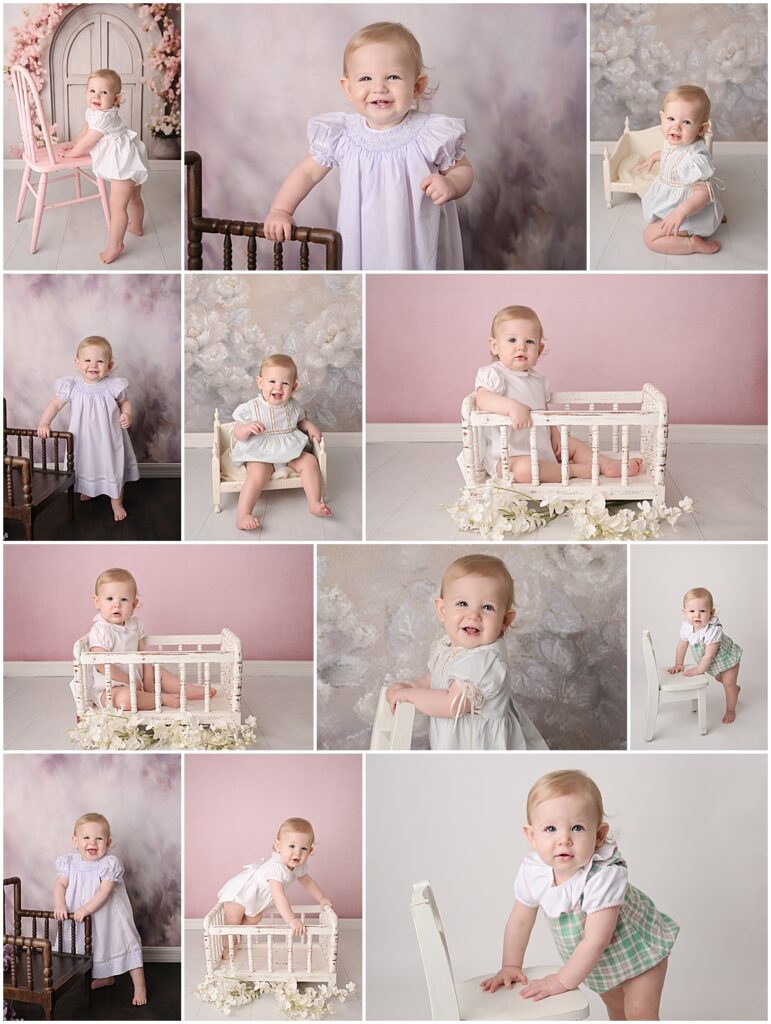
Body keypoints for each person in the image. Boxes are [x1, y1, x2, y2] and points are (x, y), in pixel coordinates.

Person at [263, 21, 473, 270]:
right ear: (348, 88)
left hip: (417, 241)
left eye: (393, 77)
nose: (379, 87)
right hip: (362, 241)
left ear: (417, 86)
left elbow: (464, 170)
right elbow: (307, 173)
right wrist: (281, 210)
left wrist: (450, 183)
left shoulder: (429, 134)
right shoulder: (342, 135)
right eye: (365, 78)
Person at [481, 770, 678, 1020]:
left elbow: (596, 940)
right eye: (550, 828)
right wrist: (511, 965)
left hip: (640, 954)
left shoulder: (604, 876)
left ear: (598, 835)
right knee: (617, 1012)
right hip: (602, 965)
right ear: (532, 835)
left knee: (640, 1015)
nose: (564, 839)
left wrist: (562, 981)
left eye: (577, 828)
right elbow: (520, 921)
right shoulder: (534, 873)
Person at [385, 554, 548, 750]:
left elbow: (452, 704)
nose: (473, 615)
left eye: (487, 607)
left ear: (505, 620)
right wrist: (411, 685)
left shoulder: (484, 662)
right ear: (442, 609)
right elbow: (435, 677)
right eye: (462, 604)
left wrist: (410, 696)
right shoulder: (450, 645)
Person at [473, 305, 643, 483]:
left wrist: (553, 433)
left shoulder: (538, 380)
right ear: (494, 346)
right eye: (512, 340)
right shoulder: (494, 374)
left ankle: (606, 464)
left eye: (529, 342)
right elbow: (482, 398)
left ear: (539, 350)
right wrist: (511, 407)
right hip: (509, 456)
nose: (521, 347)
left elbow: (543, 408)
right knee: (524, 470)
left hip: (541, 446)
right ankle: (572, 470)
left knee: (572, 443)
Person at [72, 567, 215, 711]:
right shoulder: (101, 630)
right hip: (111, 686)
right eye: (109, 599)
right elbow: (101, 665)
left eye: (124, 599)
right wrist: (128, 680)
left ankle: (188, 689)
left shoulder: (135, 624)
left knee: (159, 672)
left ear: (134, 605)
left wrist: (147, 677)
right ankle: (160, 699)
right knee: (126, 699)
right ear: (97, 602)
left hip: (137, 676)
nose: (117, 604)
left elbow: (143, 653)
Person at [37, 335, 139, 521]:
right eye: (88, 360)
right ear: (77, 362)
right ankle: (91, 490)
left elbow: (125, 403)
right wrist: (45, 423)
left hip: (109, 438)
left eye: (100, 361)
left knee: (111, 466)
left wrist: (127, 414)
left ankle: (116, 502)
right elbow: (55, 405)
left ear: (109, 365)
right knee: (86, 465)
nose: (93, 365)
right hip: (83, 438)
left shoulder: (112, 386)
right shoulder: (72, 386)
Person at [54, 812, 147, 1005]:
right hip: (81, 916)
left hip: (109, 916)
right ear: (75, 841)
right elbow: (59, 885)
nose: (92, 843)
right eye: (86, 837)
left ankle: (140, 986)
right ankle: (106, 977)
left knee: (123, 942)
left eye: (99, 838)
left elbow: (104, 892)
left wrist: (86, 909)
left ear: (108, 842)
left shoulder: (109, 864)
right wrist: (60, 904)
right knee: (94, 946)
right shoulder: (69, 863)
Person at [230, 353, 330, 530]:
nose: (278, 387)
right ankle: (243, 514)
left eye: (285, 383)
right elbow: (237, 432)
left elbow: (299, 421)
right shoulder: (251, 407)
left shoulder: (293, 405)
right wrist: (246, 428)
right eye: (272, 382)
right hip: (260, 452)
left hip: (289, 449)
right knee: (258, 473)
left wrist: (309, 425)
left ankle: (314, 502)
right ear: (260, 383)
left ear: (294, 386)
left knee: (309, 461)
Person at [63, 69, 149, 264]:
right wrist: (75, 142)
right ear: (86, 93)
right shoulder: (93, 111)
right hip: (129, 155)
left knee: (117, 206)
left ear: (116, 98)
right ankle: (136, 226)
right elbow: (86, 130)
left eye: (104, 93)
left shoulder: (105, 117)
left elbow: (89, 142)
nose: (96, 96)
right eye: (92, 91)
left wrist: (72, 153)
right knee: (135, 196)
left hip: (123, 163)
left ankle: (116, 245)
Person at [217, 817, 332, 954]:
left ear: (310, 851)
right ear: (278, 846)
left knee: (255, 918)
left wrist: (321, 898)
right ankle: (226, 948)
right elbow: (278, 896)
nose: (297, 853)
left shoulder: (298, 866)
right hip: (239, 896)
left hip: (254, 901)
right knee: (232, 924)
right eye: (291, 846)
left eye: (304, 848)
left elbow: (307, 882)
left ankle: (231, 936)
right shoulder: (275, 867)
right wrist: (291, 919)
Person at [638, 85, 724, 255]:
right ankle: (714, 215)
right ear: (662, 117)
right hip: (670, 201)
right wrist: (653, 158)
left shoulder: (697, 159)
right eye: (671, 119)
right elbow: (670, 154)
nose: (676, 127)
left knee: (649, 238)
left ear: (701, 129)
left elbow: (704, 193)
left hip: (687, 210)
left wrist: (680, 212)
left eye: (686, 122)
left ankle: (692, 244)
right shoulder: (675, 141)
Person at [667, 586, 742, 723]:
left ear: (711, 612)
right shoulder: (686, 628)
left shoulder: (712, 629)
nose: (697, 615)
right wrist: (679, 664)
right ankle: (735, 689)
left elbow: (709, 655)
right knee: (721, 680)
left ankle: (730, 709)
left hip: (728, 660)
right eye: (692, 611)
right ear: (684, 612)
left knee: (728, 685)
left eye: (702, 611)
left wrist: (699, 670)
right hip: (714, 665)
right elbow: (681, 646)